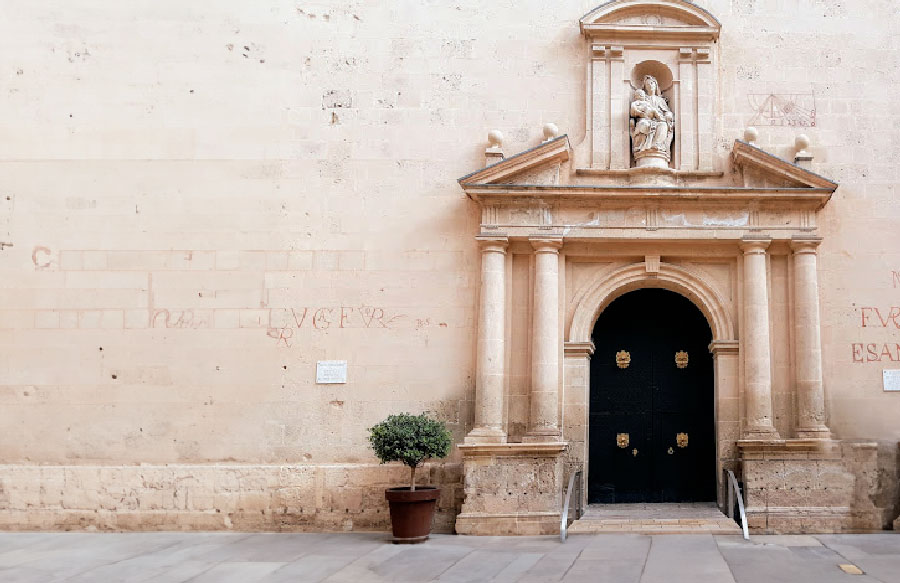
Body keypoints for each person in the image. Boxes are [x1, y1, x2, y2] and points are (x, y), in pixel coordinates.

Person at [629, 75, 674, 155]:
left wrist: (668, 115)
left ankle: (656, 145)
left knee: (663, 125)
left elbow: (666, 111)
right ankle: (644, 147)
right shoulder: (642, 99)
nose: (650, 86)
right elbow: (636, 109)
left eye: (652, 83)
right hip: (645, 119)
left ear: (656, 85)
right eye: (648, 84)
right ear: (645, 87)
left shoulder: (660, 100)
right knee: (643, 124)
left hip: (658, 120)